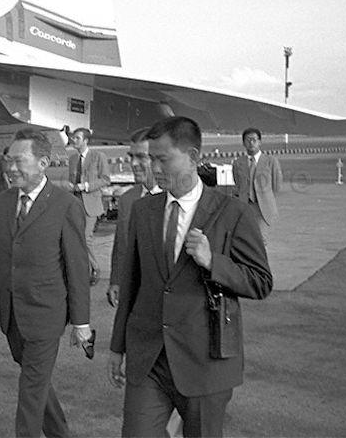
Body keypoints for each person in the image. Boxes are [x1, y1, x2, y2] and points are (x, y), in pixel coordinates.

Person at [107, 117, 272, 437]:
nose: (153, 168)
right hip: (149, 358)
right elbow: (131, 285)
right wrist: (117, 347)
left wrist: (213, 262)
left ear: (194, 156)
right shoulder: (144, 211)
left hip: (205, 361)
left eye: (162, 159)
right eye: (150, 158)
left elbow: (261, 281)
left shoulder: (233, 213)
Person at [0, 128, 91, 437]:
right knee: (36, 382)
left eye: (18, 161)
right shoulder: (3, 203)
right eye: (8, 161)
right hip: (12, 317)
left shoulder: (65, 205)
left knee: (30, 390)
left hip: (45, 316)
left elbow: (77, 269)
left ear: (43, 163)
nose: (11, 169)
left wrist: (81, 322)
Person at [107, 127, 161, 308]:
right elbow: (121, 244)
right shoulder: (127, 199)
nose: (134, 163)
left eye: (141, 157)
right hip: (135, 293)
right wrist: (115, 280)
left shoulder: (175, 198)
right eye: (131, 156)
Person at [66, 127, 110, 285]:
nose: (74, 141)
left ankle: (95, 267)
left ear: (86, 140)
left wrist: (86, 186)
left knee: (85, 237)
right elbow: (71, 179)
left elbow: (105, 179)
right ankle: (82, 270)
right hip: (74, 202)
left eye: (77, 138)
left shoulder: (98, 156)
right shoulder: (72, 159)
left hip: (90, 203)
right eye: (73, 138)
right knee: (75, 238)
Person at [231, 127, 283, 245]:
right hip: (245, 206)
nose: (251, 143)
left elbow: (277, 185)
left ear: (260, 142)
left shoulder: (271, 161)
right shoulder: (238, 163)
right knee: (246, 239)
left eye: (254, 140)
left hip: (263, 207)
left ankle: (260, 262)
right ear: (243, 143)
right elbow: (237, 182)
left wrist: (265, 196)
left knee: (261, 240)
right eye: (248, 140)